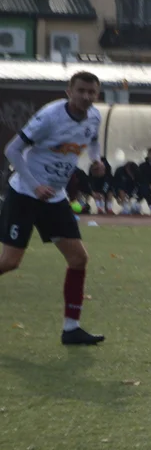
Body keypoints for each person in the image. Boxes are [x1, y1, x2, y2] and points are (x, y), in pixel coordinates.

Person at [0, 70, 106, 345]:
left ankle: (71, 328)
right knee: (9, 262)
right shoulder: (50, 116)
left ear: (97, 94)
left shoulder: (95, 116)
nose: (86, 96)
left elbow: (93, 141)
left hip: (54, 198)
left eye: (91, 92)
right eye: (81, 90)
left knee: (78, 259)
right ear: (69, 92)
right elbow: (12, 150)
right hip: (25, 194)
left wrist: (96, 161)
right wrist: (35, 185)